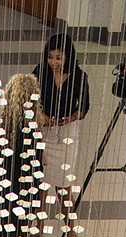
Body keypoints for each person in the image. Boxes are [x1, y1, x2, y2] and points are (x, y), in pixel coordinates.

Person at [33, 31, 89, 187]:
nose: (53, 62)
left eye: (58, 58)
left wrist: (70, 118)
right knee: (41, 183)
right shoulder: (40, 71)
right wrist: (41, 113)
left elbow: (84, 105)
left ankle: (67, 211)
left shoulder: (79, 76)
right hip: (44, 131)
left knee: (63, 183)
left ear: (67, 57)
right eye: (50, 57)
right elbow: (30, 95)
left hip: (66, 134)